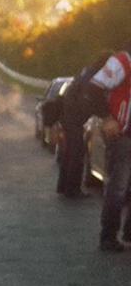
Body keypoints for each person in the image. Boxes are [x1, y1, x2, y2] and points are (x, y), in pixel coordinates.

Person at [90, 44, 131, 252]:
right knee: (118, 187)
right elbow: (94, 88)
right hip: (122, 135)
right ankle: (108, 237)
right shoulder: (123, 61)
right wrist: (107, 118)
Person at [56, 52, 112, 197]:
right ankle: (72, 190)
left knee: (69, 153)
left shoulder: (87, 71)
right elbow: (91, 98)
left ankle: (63, 187)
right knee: (77, 154)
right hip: (74, 117)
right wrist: (105, 114)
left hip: (68, 115)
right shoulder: (95, 77)